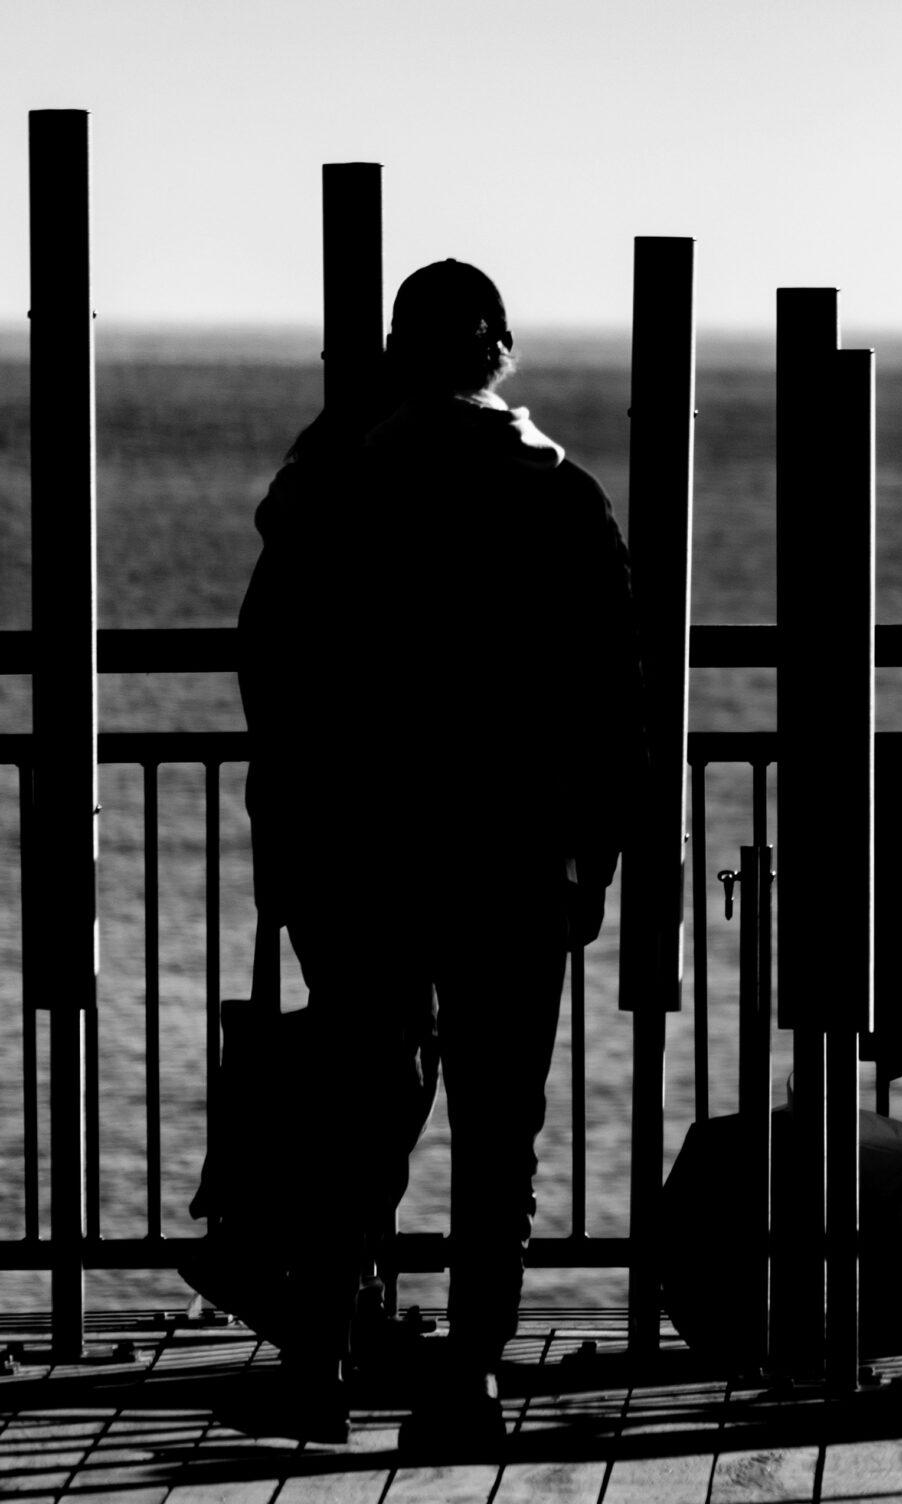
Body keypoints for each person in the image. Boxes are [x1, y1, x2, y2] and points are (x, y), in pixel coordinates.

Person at [238, 259, 645, 1448]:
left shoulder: (336, 484)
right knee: (497, 1118)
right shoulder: (560, 495)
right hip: (515, 850)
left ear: (394, 355)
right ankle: (468, 1373)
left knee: (361, 1098)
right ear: (503, 351)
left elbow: (273, 663)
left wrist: (295, 821)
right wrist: (591, 858)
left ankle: (318, 1355)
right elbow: (612, 699)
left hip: (360, 845)